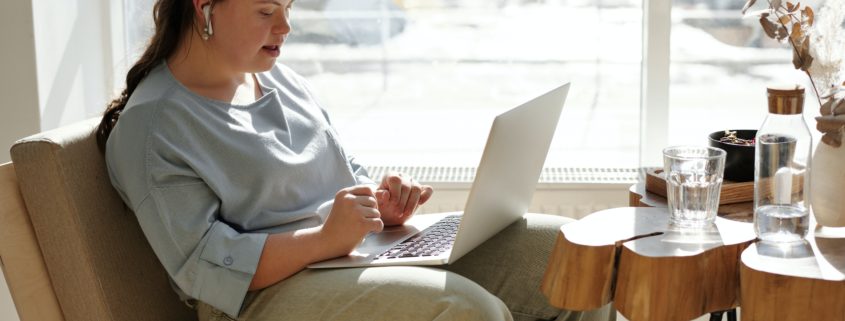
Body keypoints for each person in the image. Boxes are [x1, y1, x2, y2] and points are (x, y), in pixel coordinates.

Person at [98, 1, 616, 320]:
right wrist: (325, 240)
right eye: (265, 10)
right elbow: (204, 269)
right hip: (262, 301)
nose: (285, 27)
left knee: (572, 254)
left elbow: (343, 177)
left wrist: (380, 206)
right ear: (204, 7)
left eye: (289, 7)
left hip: (354, 255)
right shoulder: (153, 127)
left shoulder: (275, 77)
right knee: (465, 311)